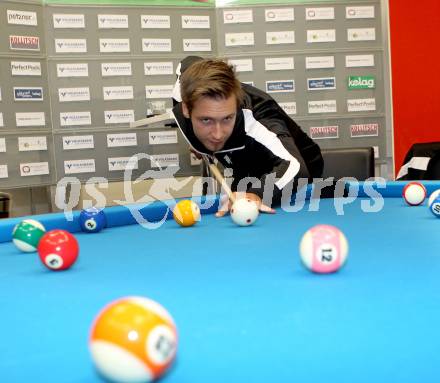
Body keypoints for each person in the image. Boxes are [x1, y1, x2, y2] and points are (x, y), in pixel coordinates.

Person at [171, 56, 323, 216]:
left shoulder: (257, 117)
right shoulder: (180, 93)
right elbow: (187, 63)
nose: (217, 134)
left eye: (227, 118)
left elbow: (295, 166)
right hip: (243, 165)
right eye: (206, 120)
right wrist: (198, 143)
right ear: (186, 109)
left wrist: (255, 194)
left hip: (293, 171)